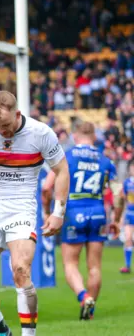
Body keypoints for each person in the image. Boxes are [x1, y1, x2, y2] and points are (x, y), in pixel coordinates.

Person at [0, 91, 69, 336]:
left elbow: (62, 170)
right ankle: (0, 328)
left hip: (22, 207)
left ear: (17, 114)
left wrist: (58, 212)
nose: (3, 132)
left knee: (20, 269)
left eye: (6, 125)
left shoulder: (41, 133)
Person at [48, 121, 118, 320]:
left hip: (73, 212)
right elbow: (118, 193)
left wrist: (48, 211)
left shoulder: (67, 156)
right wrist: (117, 218)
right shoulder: (105, 161)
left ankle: (83, 295)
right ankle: (91, 311)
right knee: (94, 266)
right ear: (94, 137)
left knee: (70, 264)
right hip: (98, 213)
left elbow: (47, 187)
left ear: (75, 136)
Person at [118, 160, 134, 274]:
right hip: (129, 213)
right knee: (128, 238)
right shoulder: (127, 182)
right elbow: (123, 199)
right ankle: (127, 266)